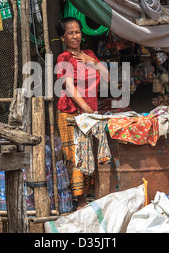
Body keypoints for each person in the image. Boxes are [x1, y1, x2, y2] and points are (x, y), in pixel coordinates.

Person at [55, 17, 110, 210]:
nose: (75, 36)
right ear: (63, 37)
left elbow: (107, 77)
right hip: (71, 113)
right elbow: (69, 87)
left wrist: (92, 61)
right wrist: (85, 107)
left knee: (90, 153)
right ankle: (79, 199)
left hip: (90, 113)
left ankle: (92, 194)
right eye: (70, 33)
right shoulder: (63, 58)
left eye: (77, 31)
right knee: (76, 155)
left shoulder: (89, 54)